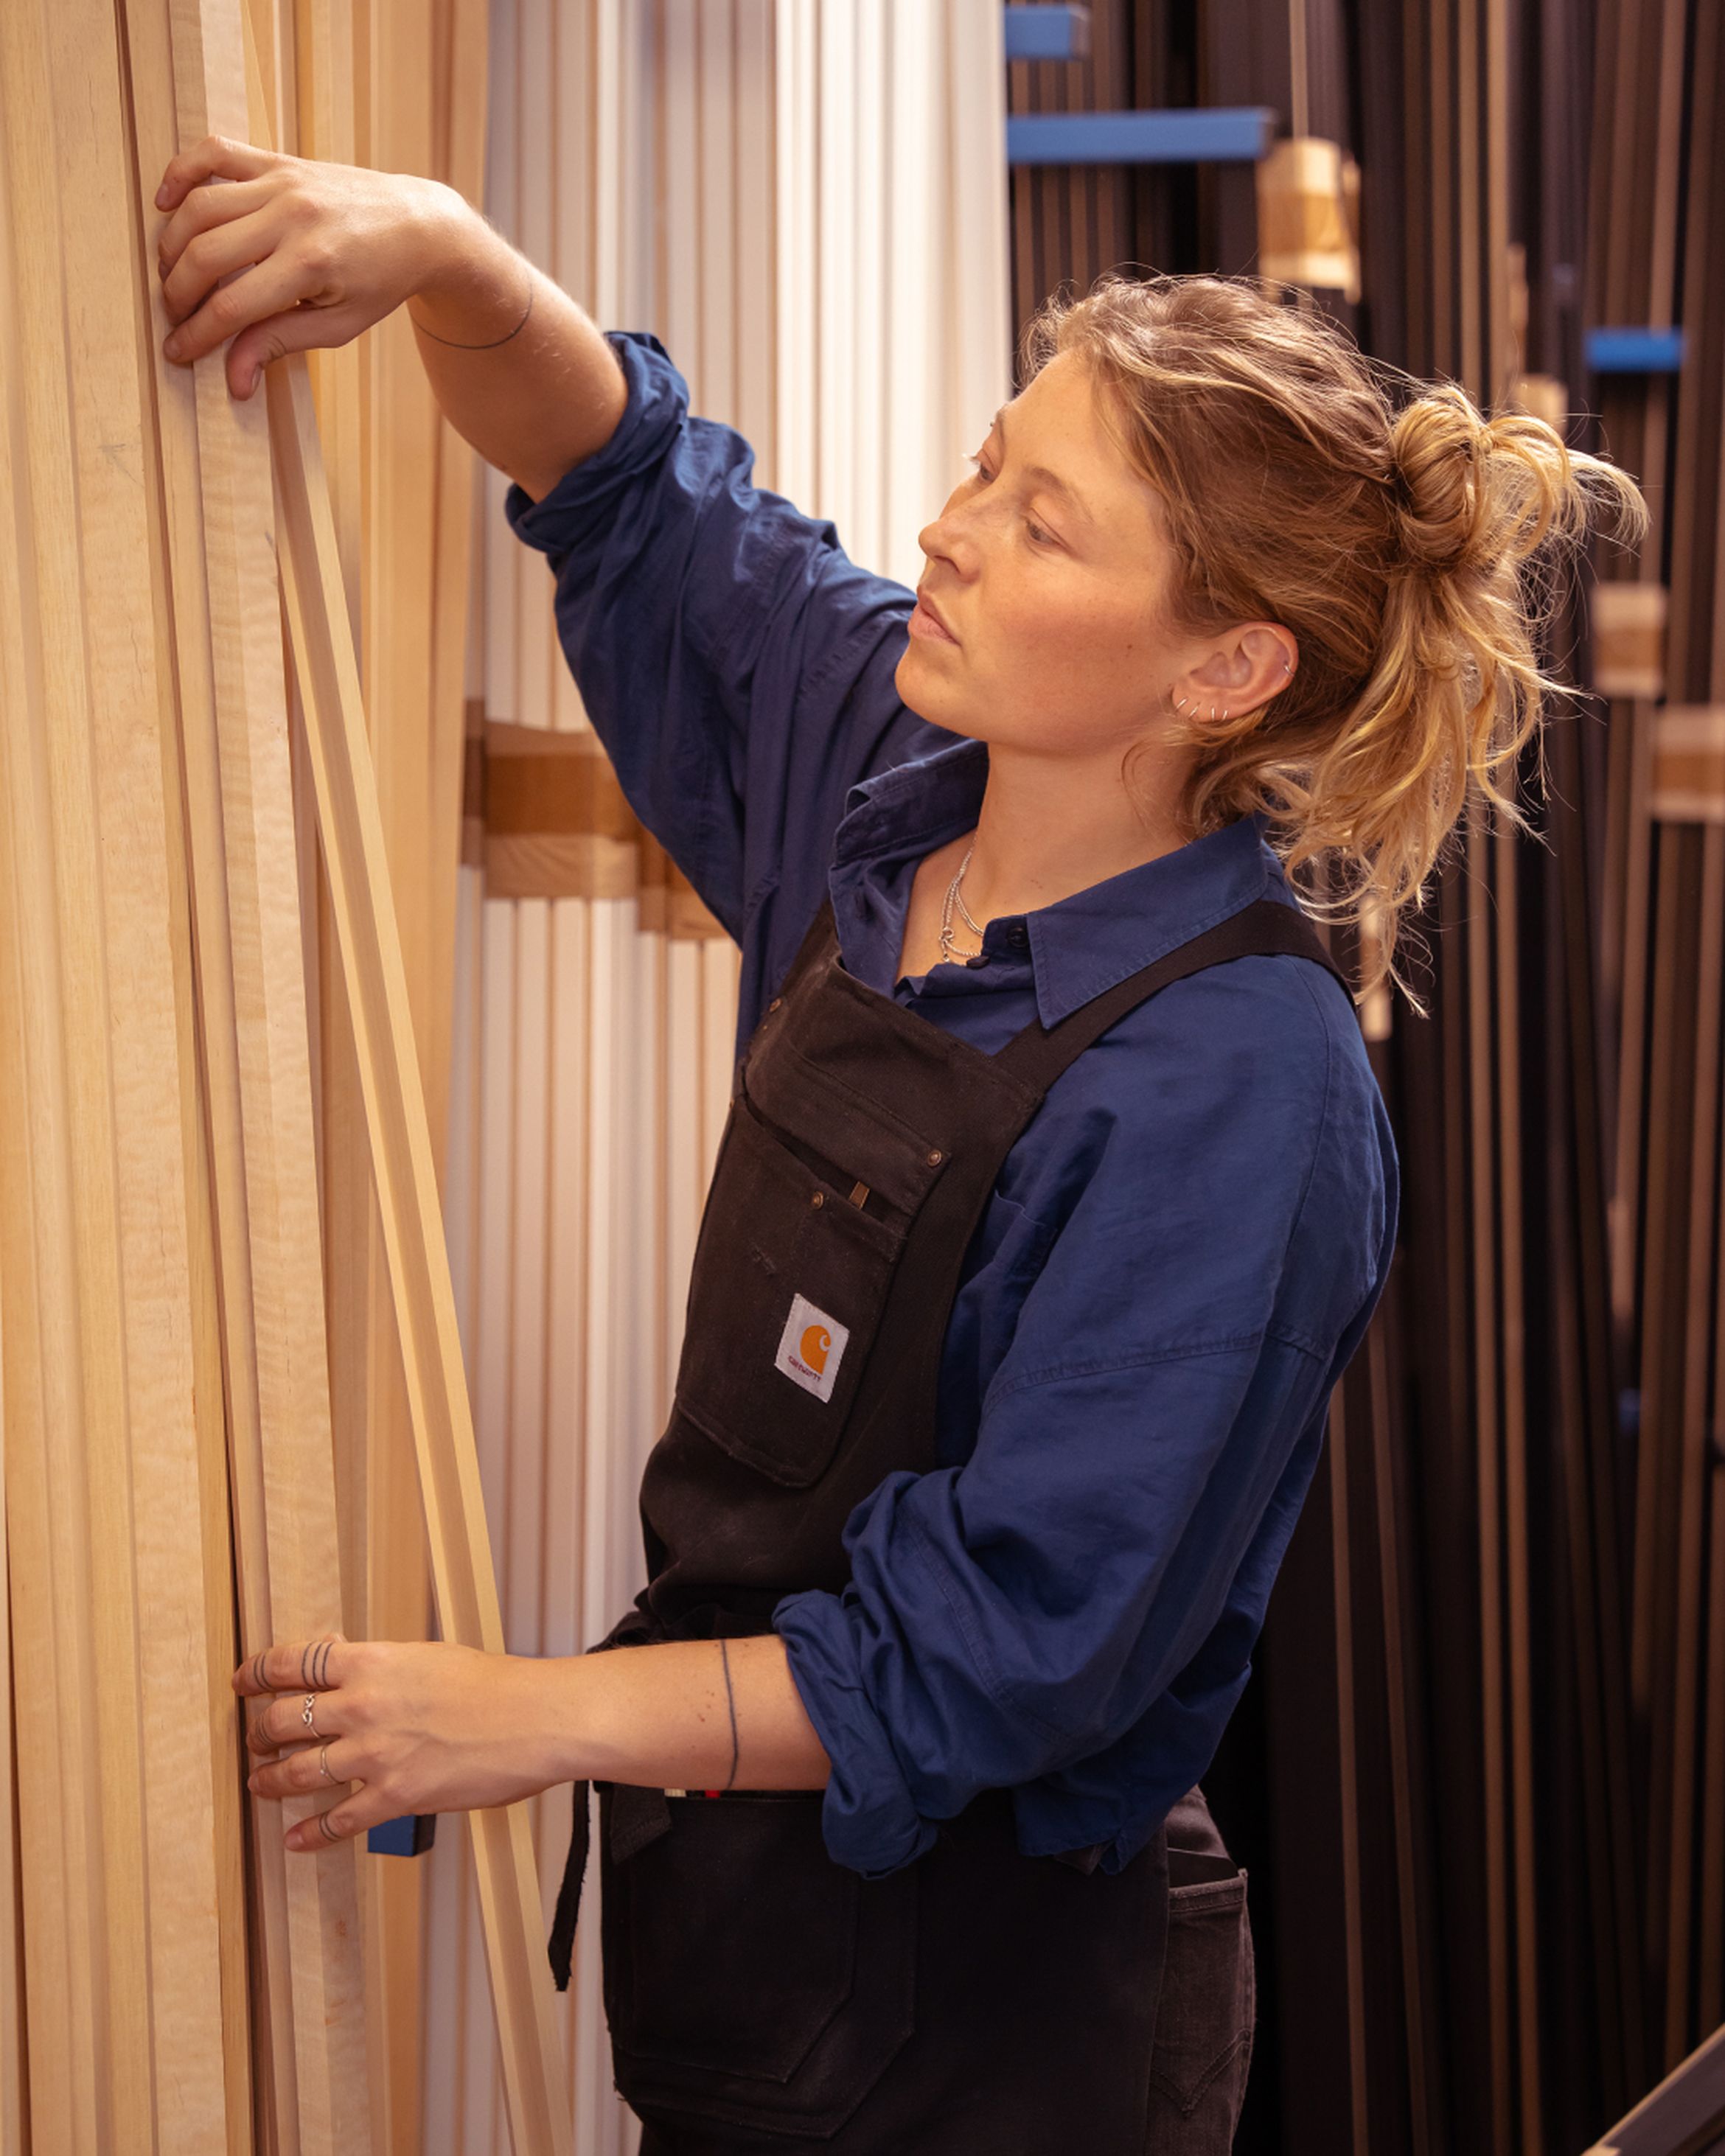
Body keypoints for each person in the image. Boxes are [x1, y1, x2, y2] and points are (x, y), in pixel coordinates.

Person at [154, 138, 1643, 2155]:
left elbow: (998, 1659)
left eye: (1041, 523)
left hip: (1000, 2032)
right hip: (754, 1971)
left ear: (1224, 668)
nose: (948, 533)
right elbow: (631, 490)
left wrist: (521, 1716)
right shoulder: (896, 773)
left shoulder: (1237, 1091)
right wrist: (450, 259)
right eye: (981, 467)